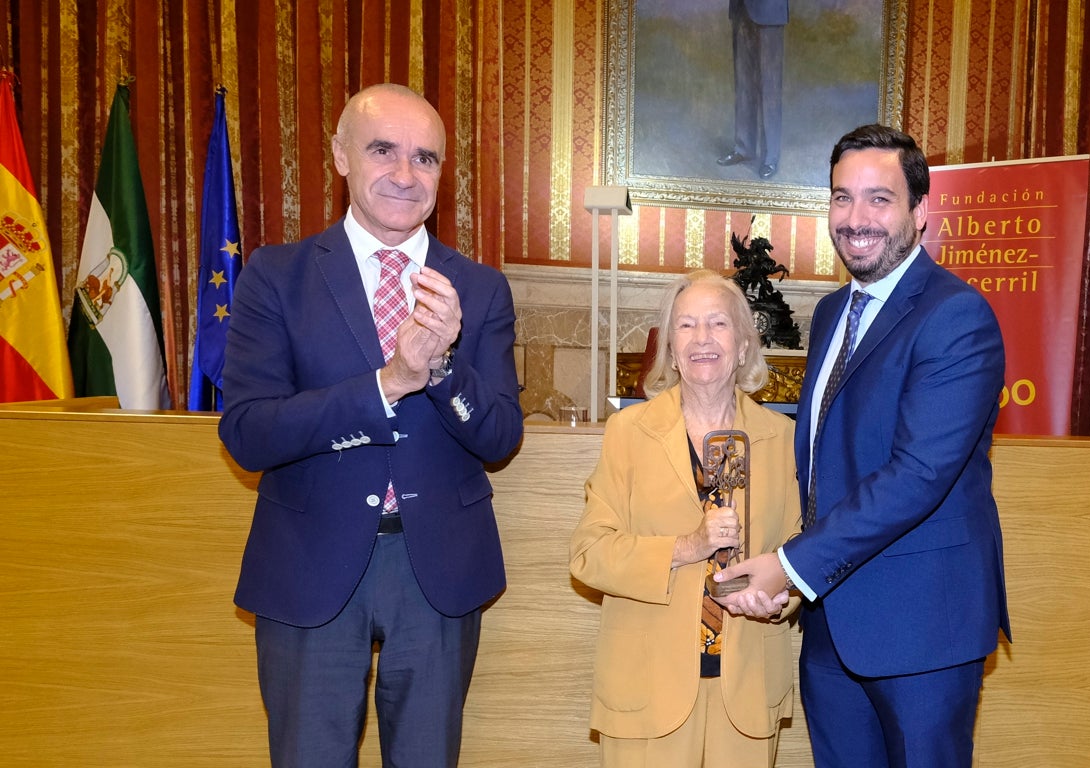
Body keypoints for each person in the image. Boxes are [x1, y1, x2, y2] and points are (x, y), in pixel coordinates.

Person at [218, 83, 523, 767]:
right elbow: (247, 432)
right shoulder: (276, 276)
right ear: (340, 157)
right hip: (310, 562)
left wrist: (443, 369)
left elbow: (500, 435)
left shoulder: (476, 289)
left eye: (426, 159)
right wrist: (386, 386)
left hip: (437, 570)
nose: (406, 175)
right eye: (384, 151)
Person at [714, 124, 1011, 767]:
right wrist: (800, 578)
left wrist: (791, 565)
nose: (856, 219)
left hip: (922, 628)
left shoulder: (957, 316)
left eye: (879, 199)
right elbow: (829, 467)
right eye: (842, 198)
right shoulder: (828, 314)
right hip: (833, 625)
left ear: (919, 211)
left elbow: (917, 475)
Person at [569, 270, 802, 767]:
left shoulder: (781, 438)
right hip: (646, 687)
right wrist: (688, 546)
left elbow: (798, 551)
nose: (702, 339)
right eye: (686, 326)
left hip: (746, 686)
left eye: (718, 324)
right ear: (671, 349)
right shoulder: (629, 433)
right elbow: (589, 555)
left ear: (742, 346)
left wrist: (780, 597)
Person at [717, 0, 788, 180]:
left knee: (770, 87)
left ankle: (770, 157)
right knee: (743, 84)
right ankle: (744, 148)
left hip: (769, 11)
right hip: (741, 9)